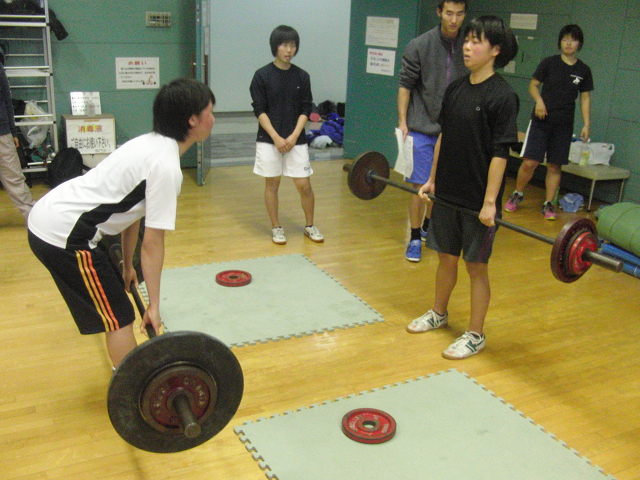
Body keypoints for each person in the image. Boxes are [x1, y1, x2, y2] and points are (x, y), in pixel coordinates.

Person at [27, 78, 216, 368]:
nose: (213, 119)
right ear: (193, 120)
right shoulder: (166, 167)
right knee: (119, 318)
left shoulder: (146, 143)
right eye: (210, 112)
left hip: (52, 216)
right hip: (64, 235)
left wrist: (128, 266)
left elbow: (132, 215)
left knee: (116, 307)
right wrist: (154, 305)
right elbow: (152, 244)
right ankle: (131, 386)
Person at [407, 16, 519, 360]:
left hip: (477, 200)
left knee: (476, 266)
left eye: (475, 41)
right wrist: (432, 179)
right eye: (466, 40)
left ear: (495, 50)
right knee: (445, 258)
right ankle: (439, 313)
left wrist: (490, 203)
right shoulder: (456, 88)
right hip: (447, 193)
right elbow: (444, 136)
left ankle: (475, 334)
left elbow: (501, 153)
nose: (467, 47)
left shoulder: (503, 95)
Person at [398, 0, 468, 262]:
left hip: (453, 130)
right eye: (449, 13)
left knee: (440, 188)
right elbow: (405, 85)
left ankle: (428, 226)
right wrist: (403, 121)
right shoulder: (419, 45)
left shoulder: (469, 46)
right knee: (419, 186)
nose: (454, 20)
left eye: (459, 14)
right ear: (439, 12)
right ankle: (415, 237)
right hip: (421, 127)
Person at [505, 24, 593, 220]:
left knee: (554, 166)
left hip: (564, 125)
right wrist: (539, 101)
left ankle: (548, 204)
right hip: (541, 121)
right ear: (560, 42)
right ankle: (517, 193)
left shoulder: (583, 70)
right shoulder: (549, 63)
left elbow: (585, 97)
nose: (568, 43)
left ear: (579, 44)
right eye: (565, 39)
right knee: (530, 162)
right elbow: (533, 85)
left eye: (573, 40)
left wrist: (586, 124)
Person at [250, 25, 323, 245]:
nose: (289, 50)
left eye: (293, 45)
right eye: (284, 45)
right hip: (268, 139)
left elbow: (306, 108)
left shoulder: (302, 76)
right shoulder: (261, 75)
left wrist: (294, 136)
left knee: (304, 185)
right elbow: (259, 110)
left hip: (296, 140)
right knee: (272, 184)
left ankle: (309, 225)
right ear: (275, 47)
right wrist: (276, 137)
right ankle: (276, 227)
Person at [0, 46, 35, 221]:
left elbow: (7, 100)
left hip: (2, 133)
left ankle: (34, 219)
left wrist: (13, 131)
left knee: (14, 178)